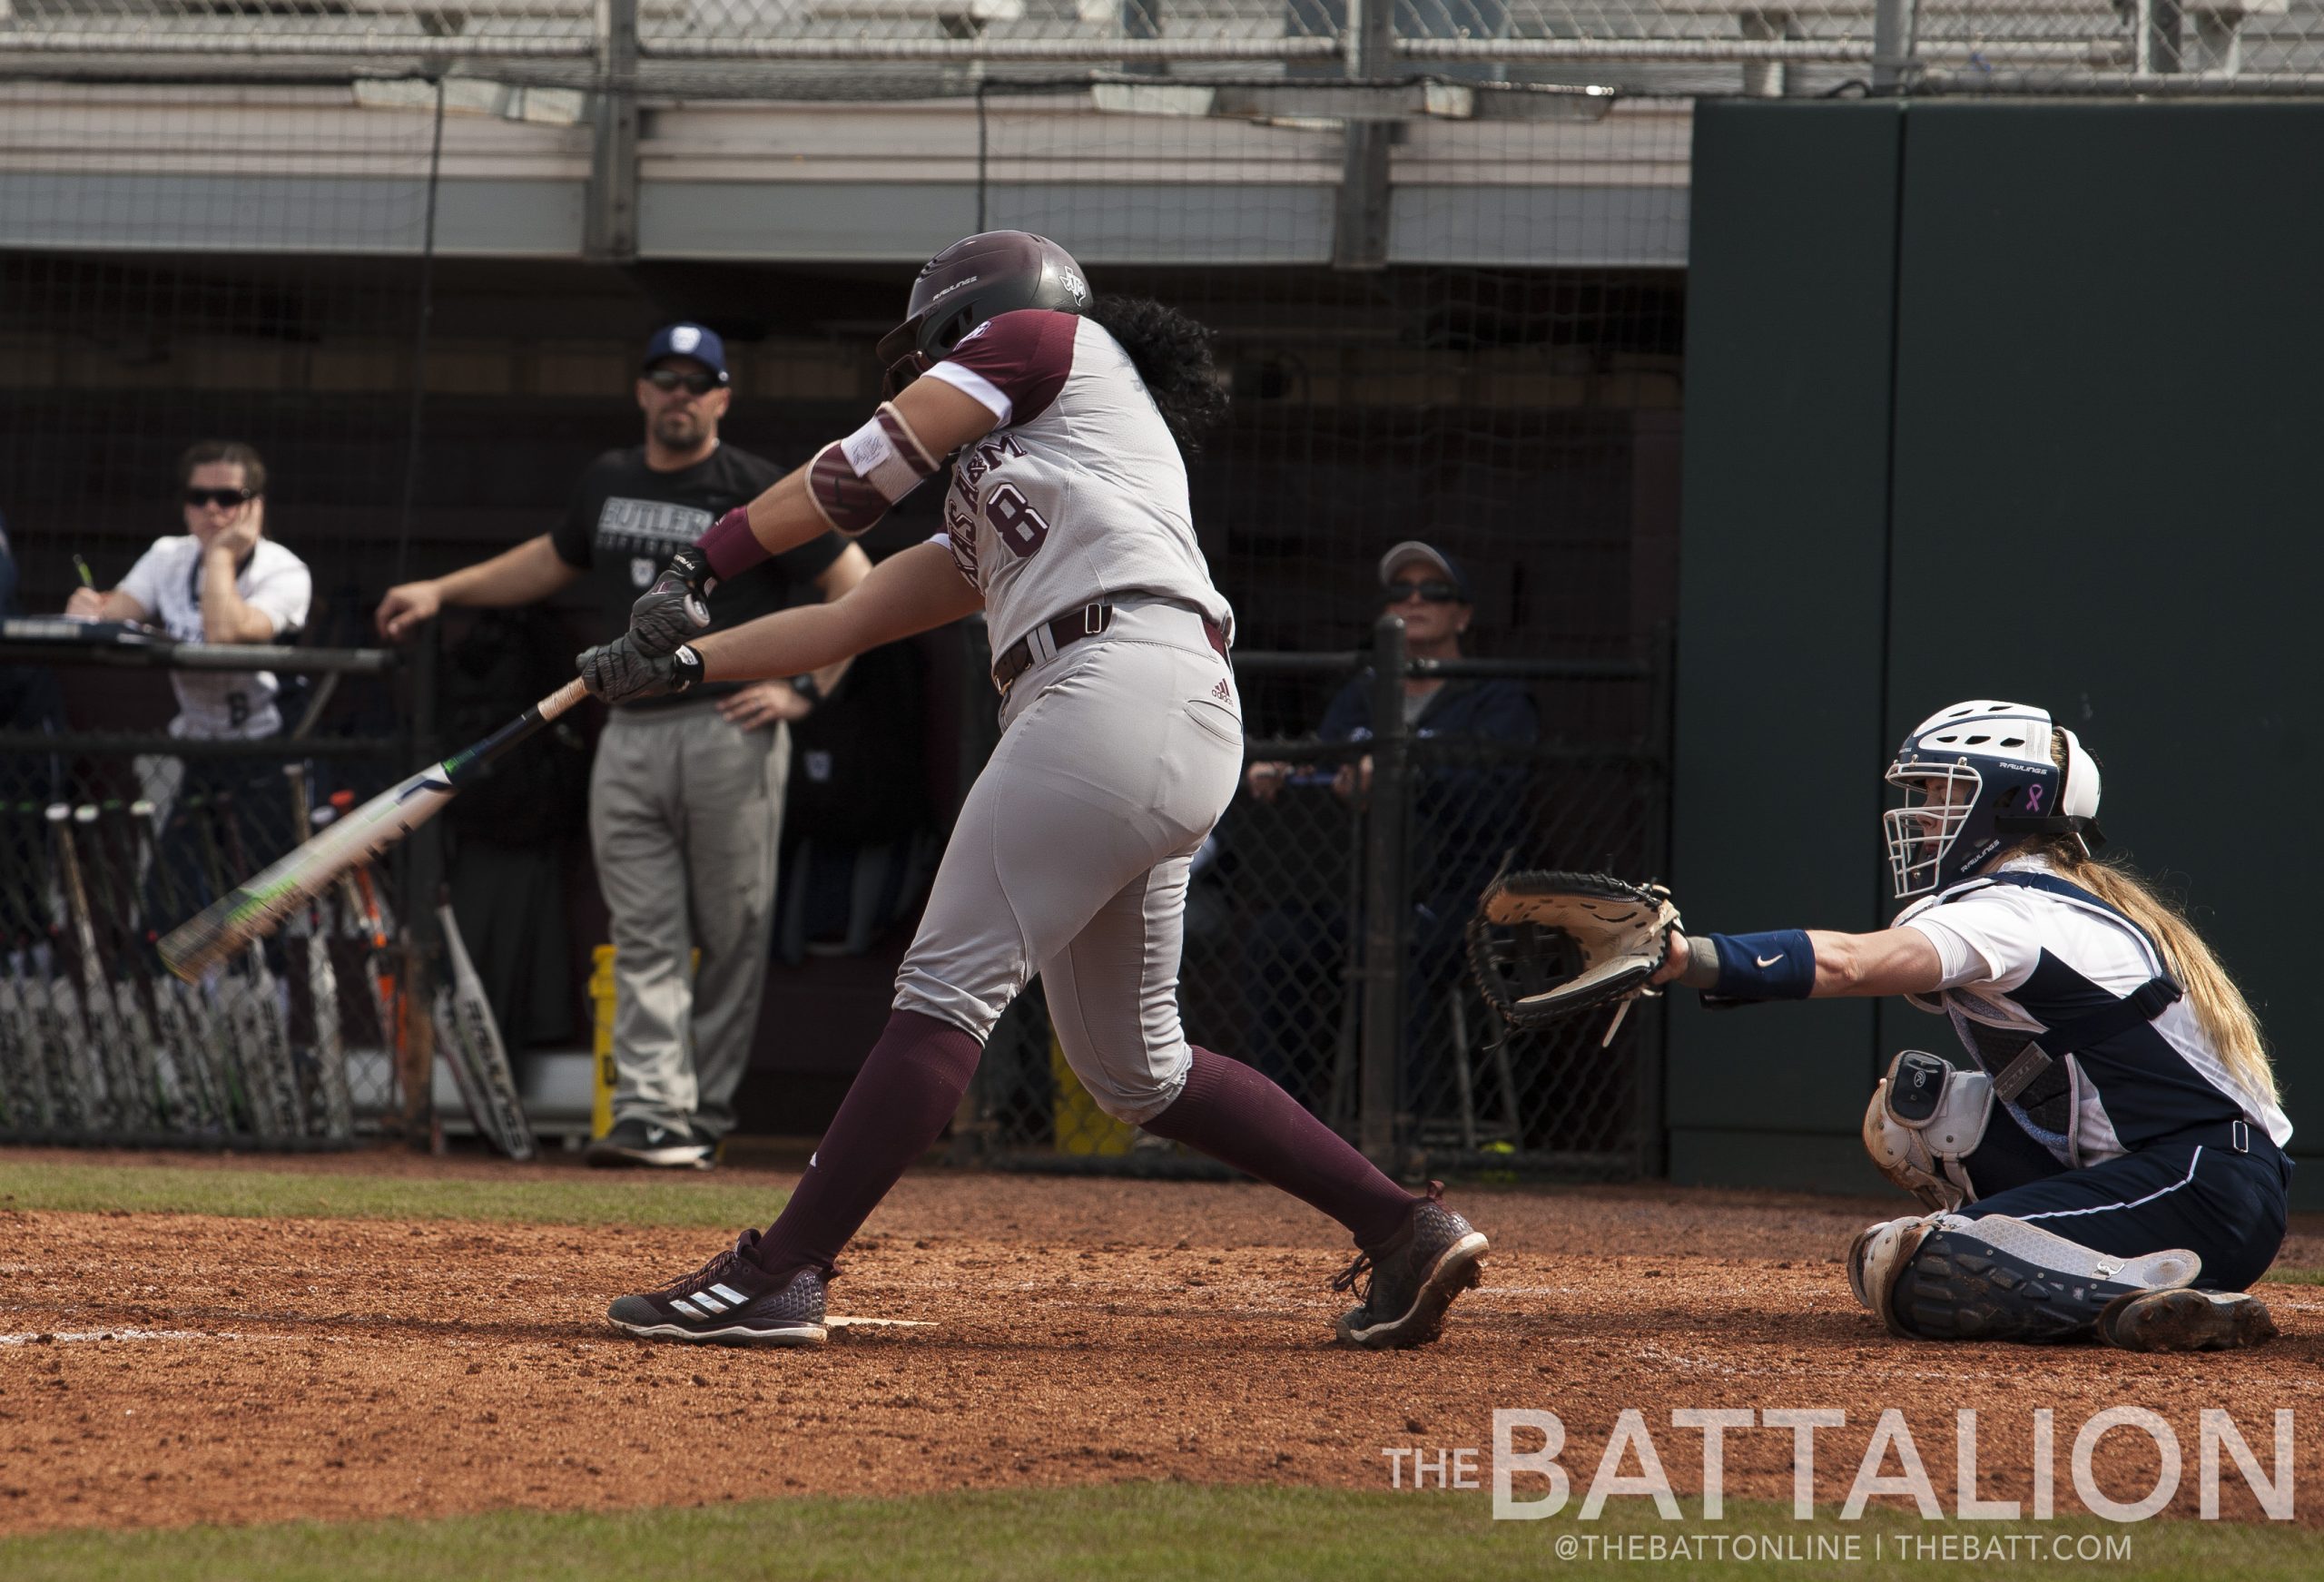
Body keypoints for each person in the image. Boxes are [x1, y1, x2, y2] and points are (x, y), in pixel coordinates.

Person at [576, 230, 1490, 1351]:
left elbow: (857, 475)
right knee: (1134, 1066)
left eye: (929, 348)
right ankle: (1403, 1226)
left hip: (1108, 688)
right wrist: (675, 666)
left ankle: (780, 1271)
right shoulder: (1028, 487)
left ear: (976, 319)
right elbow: (849, 620)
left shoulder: (1048, 339)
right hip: (1155, 707)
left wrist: (697, 563)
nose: (918, 368)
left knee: (944, 988)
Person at [1649, 699, 2290, 1352]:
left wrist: (1687, 958)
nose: (1923, 813)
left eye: (1944, 791)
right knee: (1910, 1115)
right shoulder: (2030, 896)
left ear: (2013, 797)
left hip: (2204, 1188)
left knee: (1911, 1265)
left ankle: (2155, 1289)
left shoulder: (2016, 910)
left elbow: (1847, 963)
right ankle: (2128, 1278)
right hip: (2169, 1171)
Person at [376, 323, 871, 1169]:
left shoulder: (751, 488)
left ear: (721, 396)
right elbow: (551, 558)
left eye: (696, 382)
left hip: (727, 728)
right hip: (628, 734)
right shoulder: (607, 479)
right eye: (664, 380)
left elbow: (853, 581)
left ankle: (702, 1110)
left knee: (732, 927)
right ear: (642, 391)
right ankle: (651, 1112)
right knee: (643, 930)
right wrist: (440, 588)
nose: (679, 394)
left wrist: (805, 689)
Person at [1242, 544, 1538, 1117]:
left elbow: (1494, 800)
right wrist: (1290, 773)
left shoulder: (1495, 697)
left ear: (1464, 615)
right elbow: (1326, 768)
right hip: (1354, 890)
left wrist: (1406, 774)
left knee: (1399, 953)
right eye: (1401, 591)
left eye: (1435, 592)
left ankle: (1407, 1132)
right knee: (1276, 940)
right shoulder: (1361, 692)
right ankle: (1279, 1128)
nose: (1415, 600)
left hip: (1459, 893)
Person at [64, 442, 312, 912]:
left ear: (255, 505)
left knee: (268, 900)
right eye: (199, 498)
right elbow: (117, 614)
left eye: (229, 498)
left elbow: (225, 634)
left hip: (269, 748)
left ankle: (281, 979)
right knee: (170, 896)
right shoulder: (168, 556)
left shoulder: (285, 570)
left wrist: (221, 558)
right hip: (201, 744)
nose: (212, 510)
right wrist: (89, 607)